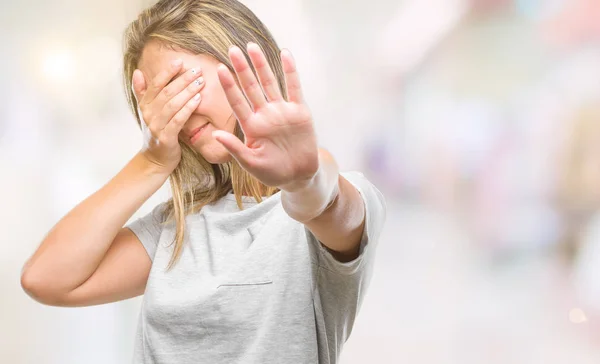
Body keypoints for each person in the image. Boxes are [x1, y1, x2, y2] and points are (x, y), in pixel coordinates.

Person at [20, 0, 387, 363]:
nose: (176, 111)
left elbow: (329, 205)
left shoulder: (327, 201)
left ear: (239, 60)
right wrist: (150, 161)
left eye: (181, 84)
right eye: (158, 98)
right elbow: (46, 278)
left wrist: (304, 182)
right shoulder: (175, 229)